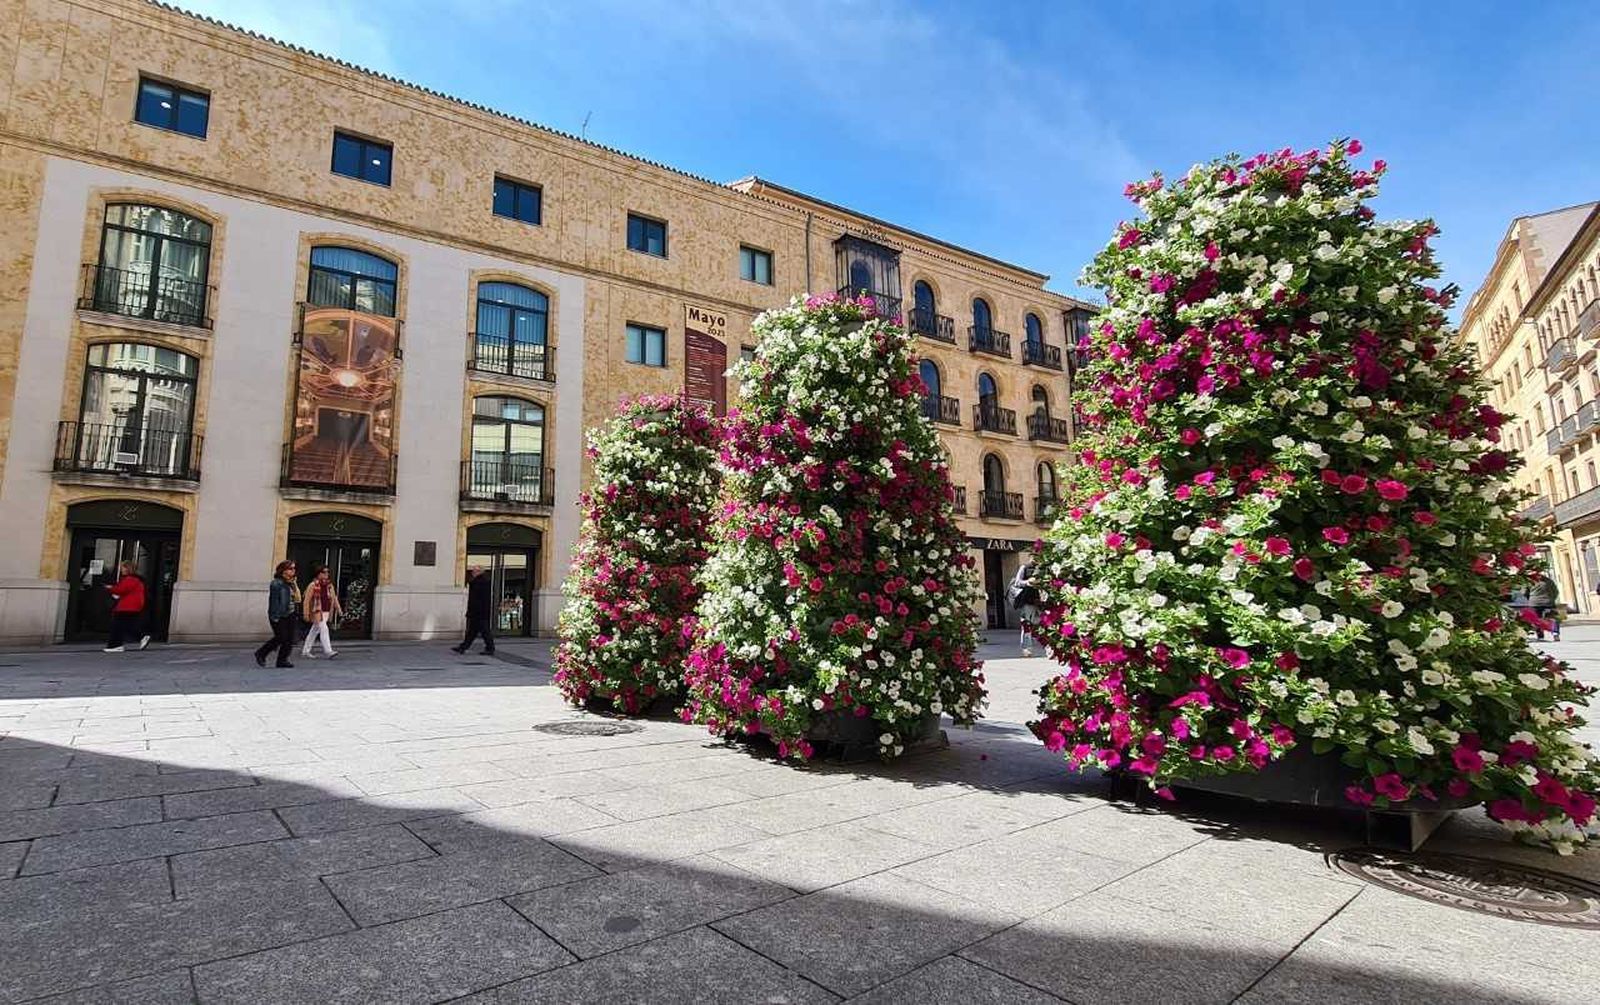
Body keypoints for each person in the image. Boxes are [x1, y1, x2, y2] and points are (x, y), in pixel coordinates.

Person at [254, 561, 300, 667]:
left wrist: (294, 584)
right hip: (279, 614)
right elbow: (274, 601)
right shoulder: (277, 583)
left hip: (290, 613)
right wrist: (275, 616)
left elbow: (298, 598)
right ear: (283, 570)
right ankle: (261, 653)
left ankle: (282, 660)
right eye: (290, 569)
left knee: (289, 639)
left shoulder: (291, 583)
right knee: (281, 637)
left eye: (294, 569)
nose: (293, 571)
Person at [103, 561, 150, 653]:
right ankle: (140, 637)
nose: (121, 570)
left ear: (128, 569)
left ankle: (116, 645)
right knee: (126, 625)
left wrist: (110, 588)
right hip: (132, 606)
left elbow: (121, 589)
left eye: (123, 567)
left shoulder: (130, 579)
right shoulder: (137, 580)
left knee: (117, 625)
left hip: (127, 606)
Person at [300, 565, 342, 660]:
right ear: (319, 574)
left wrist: (339, 609)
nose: (326, 574)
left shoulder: (329, 585)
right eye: (324, 572)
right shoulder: (313, 585)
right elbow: (306, 600)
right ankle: (328, 651)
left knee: (314, 631)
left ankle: (306, 650)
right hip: (317, 611)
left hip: (326, 611)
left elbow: (334, 598)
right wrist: (306, 613)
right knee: (324, 628)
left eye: (327, 572)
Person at [452, 565, 495, 655]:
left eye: (474, 571)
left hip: (479, 612)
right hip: (478, 611)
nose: (472, 572)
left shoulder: (480, 582)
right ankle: (463, 647)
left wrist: (473, 611)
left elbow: (478, 599)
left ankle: (490, 648)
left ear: (480, 572)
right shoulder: (479, 582)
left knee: (484, 631)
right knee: (472, 631)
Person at [1008, 561, 1041, 657]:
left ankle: (1050, 648)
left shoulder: (1043, 568)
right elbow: (1018, 582)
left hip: (1042, 601)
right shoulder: (1025, 567)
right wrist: (1028, 582)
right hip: (1028, 600)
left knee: (1045, 624)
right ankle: (1027, 648)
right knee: (1026, 625)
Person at [1529, 572, 1561, 642]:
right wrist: (1551, 599)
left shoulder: (1530, 581)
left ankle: (1540, 636)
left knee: (1537, 619)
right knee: (1553, 618)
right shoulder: (1549, 581)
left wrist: (1530, 600)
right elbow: (1556, 592)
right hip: (1548, 603)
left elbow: (1524, 592)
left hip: (1535, 604)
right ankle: (1555, 634)